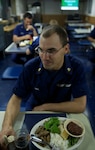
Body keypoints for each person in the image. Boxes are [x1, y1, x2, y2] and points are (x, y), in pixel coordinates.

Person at [0, 25, 87, 147]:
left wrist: (46, 107)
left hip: (61, 111)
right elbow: (15, 99)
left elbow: (80, 105)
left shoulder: (76, 67)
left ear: (66, 49)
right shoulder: (31, 67)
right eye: (40, 50)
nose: (44, 57)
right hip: (34, 110)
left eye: (51, 51)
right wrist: (6, 126)